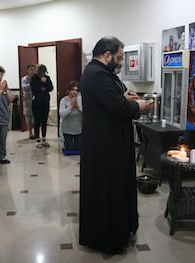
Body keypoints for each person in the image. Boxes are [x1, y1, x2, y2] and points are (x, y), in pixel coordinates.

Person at [79, 36, 149, 254]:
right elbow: (118, 109)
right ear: (107, 55)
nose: (121, 62)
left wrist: (124, 96)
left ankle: (121, 229)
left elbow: (113, 99)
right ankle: (109, 239)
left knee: (115, 188)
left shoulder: (102, 73)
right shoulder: (97, 75)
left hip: (109, 142)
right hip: (106, 147)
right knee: (109, 190)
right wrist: (140, 106)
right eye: (119, 58)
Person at [31, 64, 54, 148]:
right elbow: (34, 88)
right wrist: (41, 83)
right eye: (41, 72)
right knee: (37, 121)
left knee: (44, 121)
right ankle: (37, 138)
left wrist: (45, 83)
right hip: (36, 102)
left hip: (45, 102)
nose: (42, 74)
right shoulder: (34, 78)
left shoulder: (47, 78)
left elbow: (51, 88)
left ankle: (44, 138)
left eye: (44, 72)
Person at [59, 81, 82, 153]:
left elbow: (87, 113)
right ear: (69, 90)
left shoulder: (81, 99)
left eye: (77, 90)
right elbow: (61, 114)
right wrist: (71, 106)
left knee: (78, 149)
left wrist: (78, 106)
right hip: (67, 130)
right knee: (70, 149)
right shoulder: (64, 100)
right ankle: (67, 142)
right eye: (73, 90)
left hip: (78, 130)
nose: (74, 92)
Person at [21, 64, 36, 139]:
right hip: (27, 101)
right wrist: (32, 84)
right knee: (28, 118)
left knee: (34, 119)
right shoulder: (24, 79)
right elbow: (24, 87)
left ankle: (35, 133)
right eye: (31, 69)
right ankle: (30, 133)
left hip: (35, 101)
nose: (33, 71)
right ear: (27, 70)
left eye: (34, 69)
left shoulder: (36, 78)